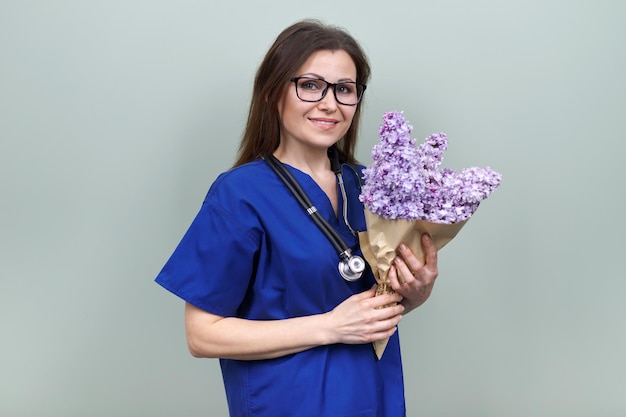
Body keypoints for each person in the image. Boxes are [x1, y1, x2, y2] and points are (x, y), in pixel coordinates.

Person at [155, 19, 439, 417]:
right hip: (289, 401)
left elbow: (365, 311)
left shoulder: (372, 187)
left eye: (345, 89)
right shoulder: (240, 195)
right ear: (274, 93)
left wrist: (414, 295)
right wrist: (330, 327)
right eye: (310, 85)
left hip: (373, 396)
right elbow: (202, 335)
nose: (330, 103)